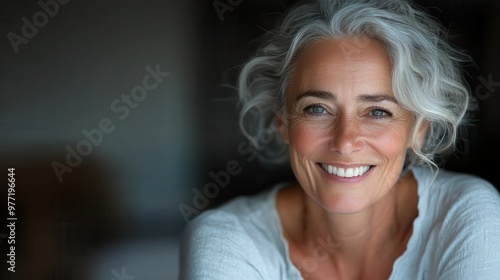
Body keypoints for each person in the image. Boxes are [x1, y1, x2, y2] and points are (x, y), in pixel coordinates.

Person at [179, 0, 500, 279]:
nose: (345, 142)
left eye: (377, 112)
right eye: (317, 109)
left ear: (419, 129)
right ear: (282, 122)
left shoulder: (466, 215)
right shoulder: (227, 240)